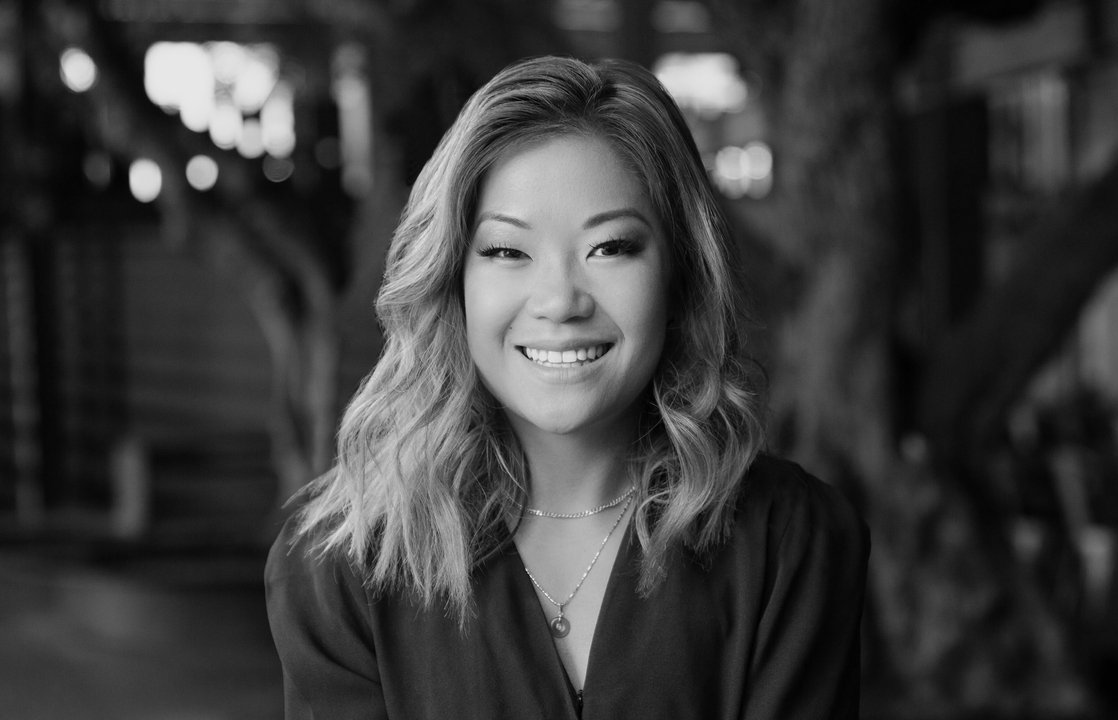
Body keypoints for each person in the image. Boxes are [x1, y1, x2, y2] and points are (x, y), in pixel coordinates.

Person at [265, 55, 869, 719]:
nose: (559, 301)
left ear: (680, 273)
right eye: (507, 251)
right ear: (452, 280)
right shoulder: (340, 563)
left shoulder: (790, 540)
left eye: (610, 247)